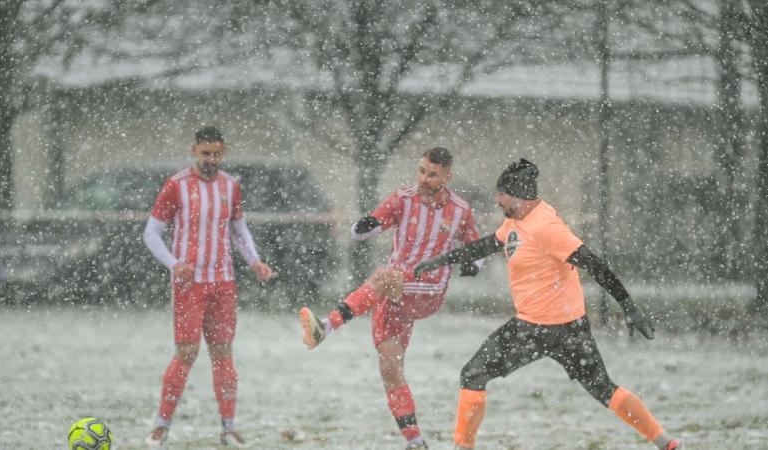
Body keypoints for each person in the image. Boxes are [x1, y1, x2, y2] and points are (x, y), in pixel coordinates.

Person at [413, 158, 681, 450]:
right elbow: (490, 244)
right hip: (569, 329)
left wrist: (628, 306)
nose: (497, 199)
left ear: (519, 196)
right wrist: (442, 260)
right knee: (604, 390)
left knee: (472, 374)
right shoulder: (516, 221)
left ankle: (462, 447)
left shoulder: (546, 227)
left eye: (502, 195)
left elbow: (594, 264)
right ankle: (665, 442)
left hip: (536, 329)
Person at [299, 147, 481, 450]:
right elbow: (367, 227)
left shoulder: (460, 209)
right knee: (390, 368)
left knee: (385, 275)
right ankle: (415, 441)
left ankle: (326, 327)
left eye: (432, 174)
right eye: (422, 170)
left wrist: (475, 263)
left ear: (447, 176)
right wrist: (364, 226)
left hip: (428, 287)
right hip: (394, 294)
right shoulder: (403, 197)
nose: (424, 178)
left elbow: (475, 246)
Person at [142, 126, 273, 448]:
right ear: (193, 151)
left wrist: (254, 261)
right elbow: (151, 234)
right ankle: (161, 424)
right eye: (205, 153)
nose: (211, 159)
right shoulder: (176, 185)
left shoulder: (231, 186)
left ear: (222, 153)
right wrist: (174, 264)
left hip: (223, 282)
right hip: (190, 285)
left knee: (223, 354)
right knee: (186, 353)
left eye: (216, 153)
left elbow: (239, 231)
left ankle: (229, 427)